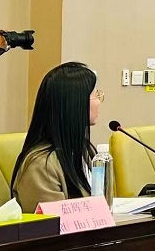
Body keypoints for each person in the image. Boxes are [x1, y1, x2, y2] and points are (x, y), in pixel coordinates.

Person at [11, 62, 103, 211]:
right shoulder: (41, 165)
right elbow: (52, 226)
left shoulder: (83, 151)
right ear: (75, 103)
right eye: (96, 95)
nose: (99, 102)